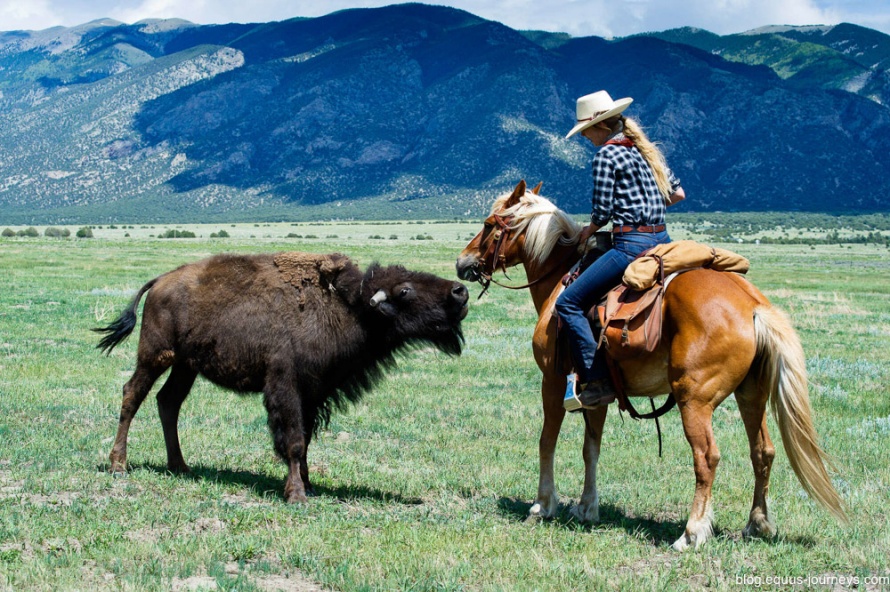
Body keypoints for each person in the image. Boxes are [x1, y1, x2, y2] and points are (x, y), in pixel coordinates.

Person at [556, 90, 685, 411]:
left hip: (630, 246)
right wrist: (647, 206)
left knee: (568, 303)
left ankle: (597, 382)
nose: (586, 138)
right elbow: (678, 194)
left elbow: (601, 212)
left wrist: (588, 230)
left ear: (598, 127)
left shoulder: (606, 155)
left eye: (586, 132)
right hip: (663, 243)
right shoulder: (646, 150)